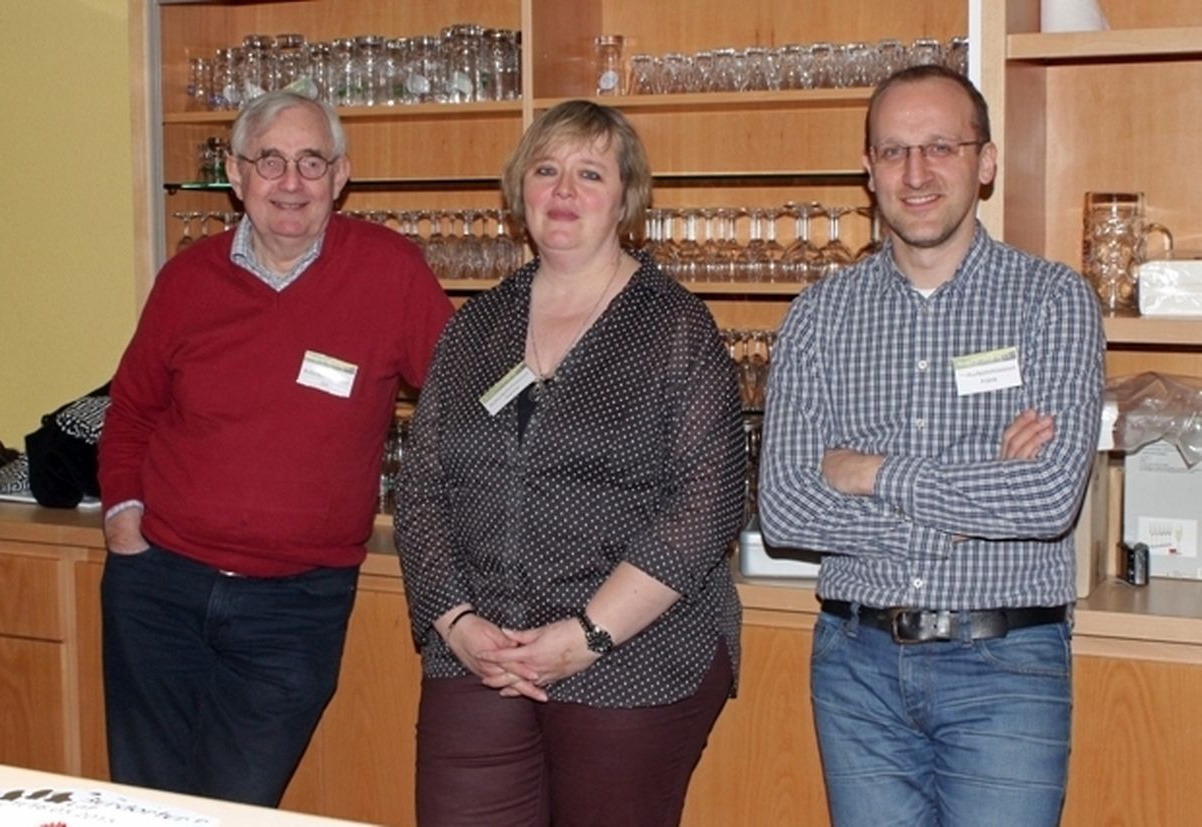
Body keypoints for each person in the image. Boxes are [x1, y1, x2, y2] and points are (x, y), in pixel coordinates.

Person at [758, 65, 1105, 827]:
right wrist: (971, 495)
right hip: (857, 661)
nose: (916, 173)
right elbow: (784, 508)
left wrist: (868, 471)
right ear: (869, 170)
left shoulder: (1052, 300)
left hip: (1006, 663)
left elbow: (1048, 498)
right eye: (894, 151)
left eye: (941, 147)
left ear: (985, 163)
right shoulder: (819, 314)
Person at [98, 88, 454, 806]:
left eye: (311, 161)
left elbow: (465, 399)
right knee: (145, 804)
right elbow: (132, 409)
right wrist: (123, 520)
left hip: (296, 604)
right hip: (159, 589)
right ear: (236, 174)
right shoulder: (187, 279)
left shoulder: (391, 273)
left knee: (237, 804)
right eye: (270, 161)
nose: (291, 182)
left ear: (340, 175)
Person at [395, 99, 746, 827]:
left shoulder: (674, 327)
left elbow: (707, 503)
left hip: (634, 654)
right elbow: (423, 488)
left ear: (626, 198)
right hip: (481, 653)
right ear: (519, 189)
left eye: (590, 174)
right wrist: (456, 622)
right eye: (545, 170)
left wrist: (587, 634)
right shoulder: (475, 327)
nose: (563, 191)